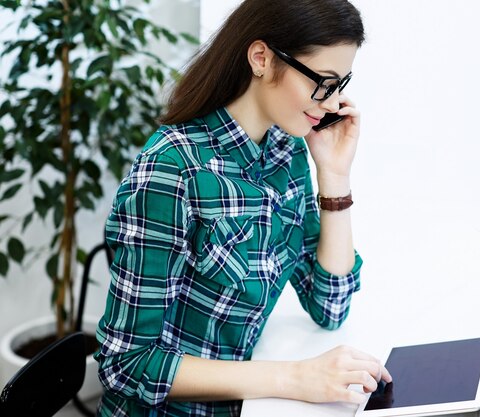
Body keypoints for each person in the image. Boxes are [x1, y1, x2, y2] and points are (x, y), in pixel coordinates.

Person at [94, 0, 392, 416]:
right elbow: (125, 364)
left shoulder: (286, 152)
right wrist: (294, 377)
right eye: (324, 82)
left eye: (341, 84)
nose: (332, 103)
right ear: (261, 58)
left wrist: (335, 177)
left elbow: (330, 306)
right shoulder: (172, 170)